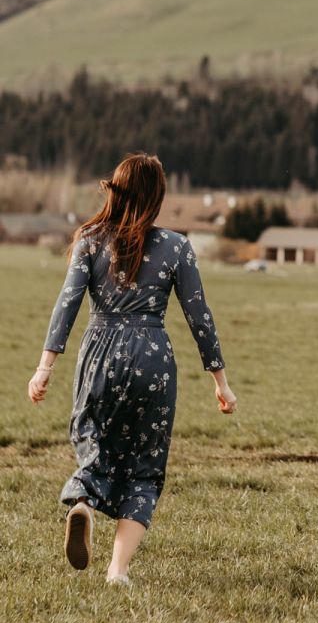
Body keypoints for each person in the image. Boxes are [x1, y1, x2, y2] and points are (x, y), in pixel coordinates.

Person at [27, 153, 237, 585]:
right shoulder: (177, 246)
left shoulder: (88, 239)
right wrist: (221, 381)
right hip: (152, 358)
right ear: (157, 197)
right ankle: (117, 571)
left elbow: (66, 305)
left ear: (116, 191)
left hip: (101, 351)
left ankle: (83, 501)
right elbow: (200, 317)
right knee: (145, 465)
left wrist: (44, 367)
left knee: (93, 442)